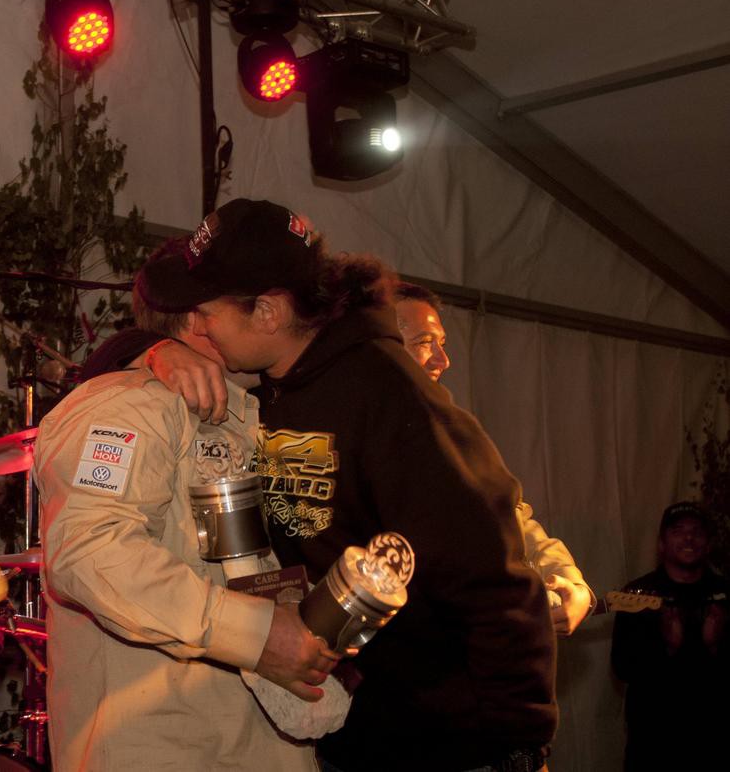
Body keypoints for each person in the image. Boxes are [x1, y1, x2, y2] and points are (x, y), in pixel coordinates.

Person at [133, 198, 556, 771]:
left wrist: (518, 742)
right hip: (350, 737)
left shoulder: (389, 394)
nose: (198, 329)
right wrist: (150, 351)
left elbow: (491, 572)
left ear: (267, 312)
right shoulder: (269, 385)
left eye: (206, 312)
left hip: (448, 745)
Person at [33, 239, 336, 771]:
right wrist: (257, 634)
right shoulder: (128, 402)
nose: (278, 320)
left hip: (247, 745)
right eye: (259, 305)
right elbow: (89, 551)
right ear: (200, 319)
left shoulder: (245, 417)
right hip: (162, 748)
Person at [394, 282, 595, 636]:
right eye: (425, 343)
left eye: (442, 343)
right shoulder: (336, 436)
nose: (443, 360)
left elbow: (512, 518)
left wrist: (570, 582)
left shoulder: (455, 435)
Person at [611, 501, 729, 770]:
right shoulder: (636, 594)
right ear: (661, 544)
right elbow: (622, 667)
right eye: (678, 531)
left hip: (717, 741)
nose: (688, 538)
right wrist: (668, 648)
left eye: (696, 532)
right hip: (654, 743)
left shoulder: (724, 592)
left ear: (708, 544)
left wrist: (714, 646)